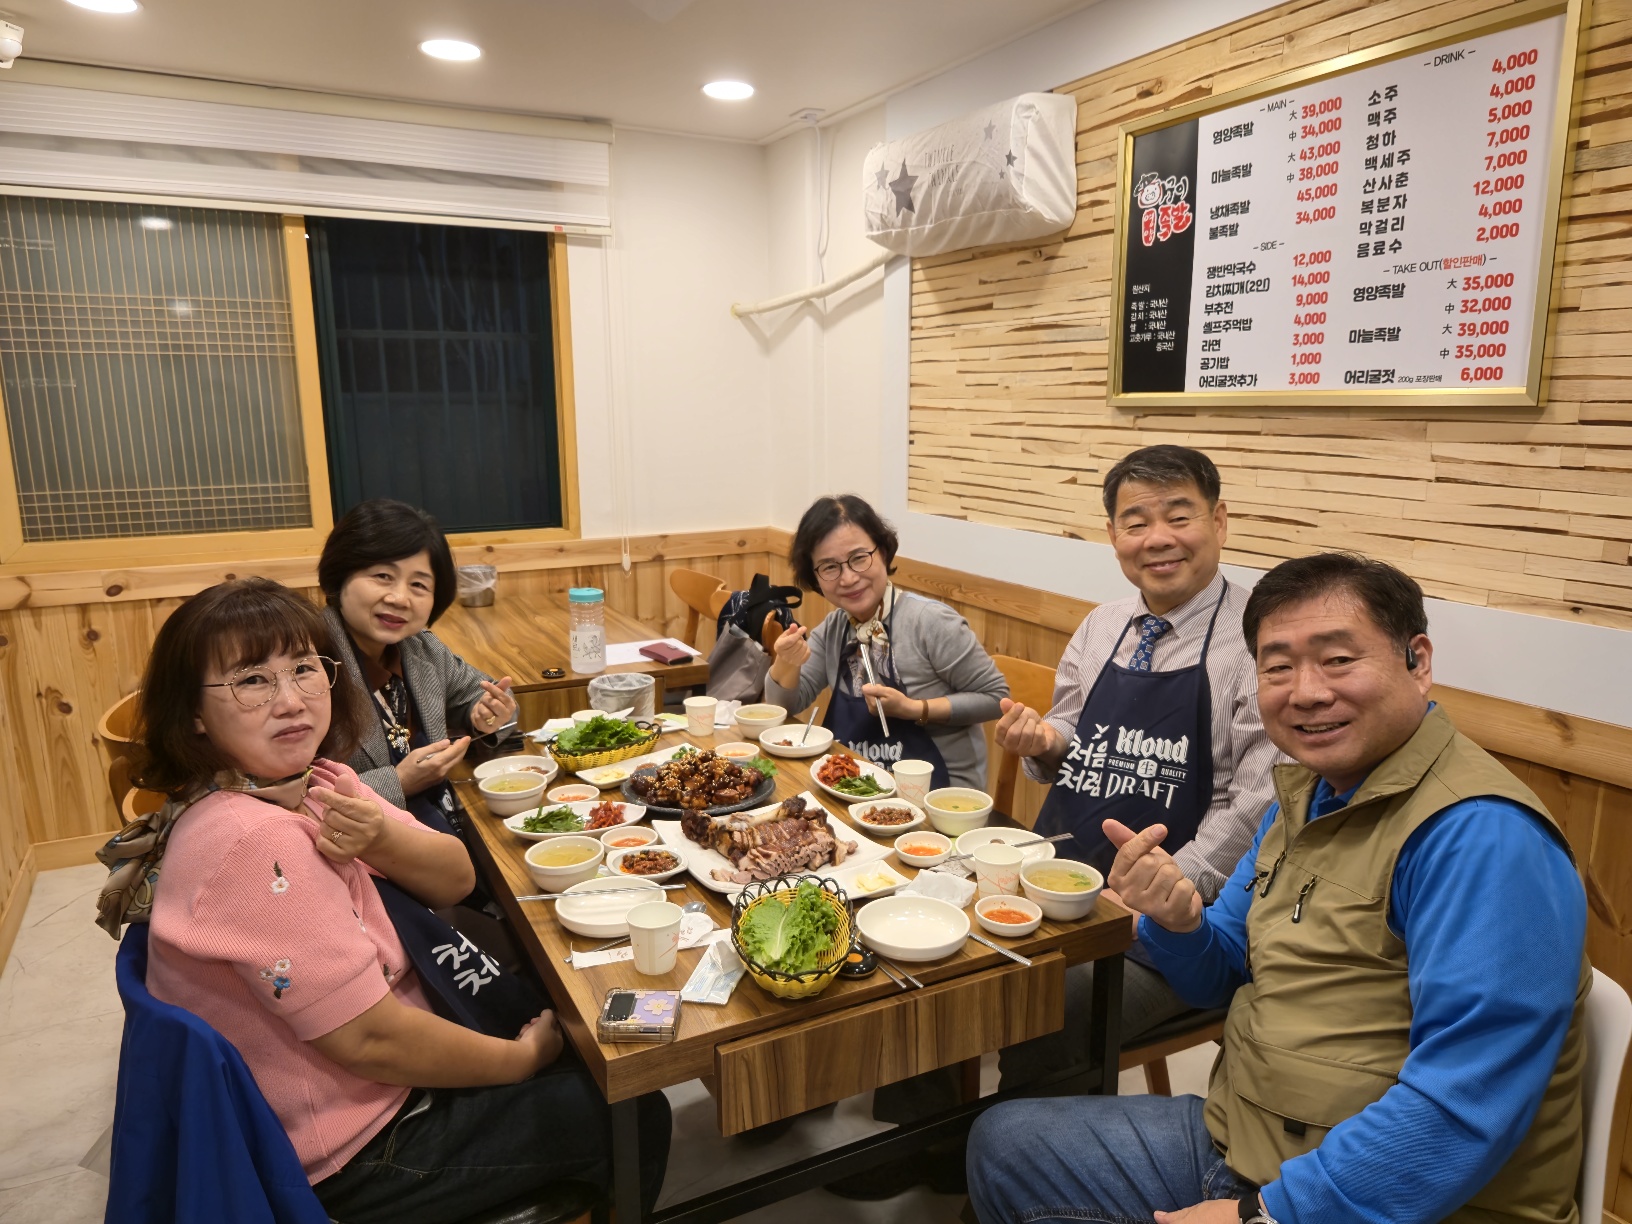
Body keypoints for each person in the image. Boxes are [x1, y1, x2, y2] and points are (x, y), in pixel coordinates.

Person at [967, 553, 1589, 1224]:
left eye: (1338, 660)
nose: (1307, 692)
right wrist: (1180, 923)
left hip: (1374, 1197)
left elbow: (1463, 1104)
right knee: (1003, 1143)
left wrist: (1263, 1215)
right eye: (1278, 667)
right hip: (1249, 1138)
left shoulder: (1481, 836)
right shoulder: (1305, 797)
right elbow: (1221, 973)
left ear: (1418, 662)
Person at [98, 577, 669, 1223]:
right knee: (629, 1108)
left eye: (304, 669)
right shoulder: (255, 842)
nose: (291, 700)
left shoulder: (311, 780)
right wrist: (516, 1062)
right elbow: (368, 1039)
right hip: (351, 1149)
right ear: (194, 712)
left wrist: (381, 838)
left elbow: (456, 880)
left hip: (374, 1076)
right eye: (251, 680)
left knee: (583, 1034)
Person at [994, 444, 1281, 1096]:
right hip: (1062, 878)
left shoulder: (1259, 641)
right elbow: (1073, 733)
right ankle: (922, 1135)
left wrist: (1162, 892)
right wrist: (1043, 741)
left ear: (1219, 522)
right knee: (949, 946)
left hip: (1179, 924)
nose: (1158, 539)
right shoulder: (1104, 625)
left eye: (1179, 516)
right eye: (1136, 522)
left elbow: (1256, 806)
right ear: (1113, 535)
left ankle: (1024, 1156)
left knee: (1053, 1008)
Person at [765, 493, 1008, 791]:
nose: (848, 578)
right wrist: (785, 662)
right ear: (815, 578)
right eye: (829, 567)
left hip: (935, 793)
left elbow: (995, 698)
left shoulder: (930, 621)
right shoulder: (834, 628)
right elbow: (785, 707)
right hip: (852, 784)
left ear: (882, 552)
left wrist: (915, 709)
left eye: (859, 558)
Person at [317, 499, 519, 840]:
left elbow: (485, 692)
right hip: (361, 852)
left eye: (419, 585)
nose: (400, 598)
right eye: (383, 576)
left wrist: (485, 713)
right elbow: (292, 791)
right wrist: (399, 782)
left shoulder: (421, 648)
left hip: (445, 828)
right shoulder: (307, 664)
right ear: (341, 576)